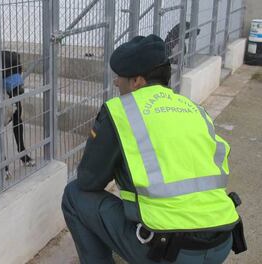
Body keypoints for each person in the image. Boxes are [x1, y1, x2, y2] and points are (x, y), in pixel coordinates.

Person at [61, 34, 246, 264]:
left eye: (120, 76)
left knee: (74, 196)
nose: (116, 82)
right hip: (221, 241)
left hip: (171, 252)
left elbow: (89, 181)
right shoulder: (194, 109)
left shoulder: (121, 111)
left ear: (137, 81)